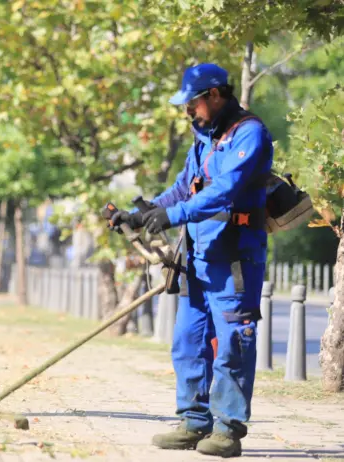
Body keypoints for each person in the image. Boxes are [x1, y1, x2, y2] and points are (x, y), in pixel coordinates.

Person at [112, 63, 273, 458]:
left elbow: (223, 191)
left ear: (215, 95)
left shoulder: (248, 134)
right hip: (198, 257)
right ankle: (193, 422)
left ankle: (228, 429)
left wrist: (173, 216)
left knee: (233, 342)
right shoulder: (204, 137)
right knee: (188, 342)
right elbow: (185, 187)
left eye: (193, 103)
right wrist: (146, 212)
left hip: (233, 256)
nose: (188, 111)